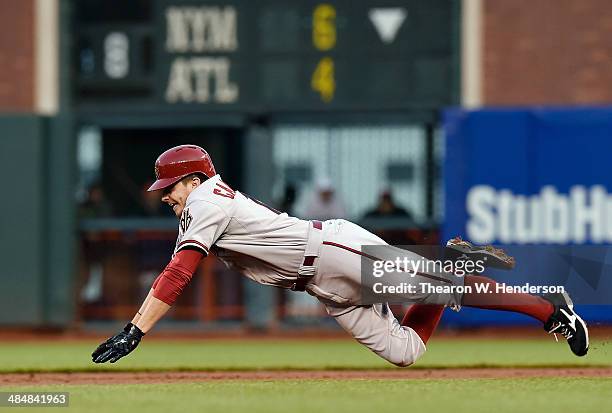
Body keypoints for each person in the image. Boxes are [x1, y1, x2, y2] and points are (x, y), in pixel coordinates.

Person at [91, 145, 589, 365]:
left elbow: (179, 272)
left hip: (333, 251)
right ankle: (442, 265)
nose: (164, 194)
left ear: (194, 179)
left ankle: (551, 311)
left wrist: (137, 330)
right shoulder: (201, 201)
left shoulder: (202, 200)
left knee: (445, 287)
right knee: (406, 352)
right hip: (321, 284)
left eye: (169, 185)